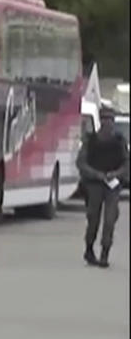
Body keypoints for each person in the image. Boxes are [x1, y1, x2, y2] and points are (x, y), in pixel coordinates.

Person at [76, 106, 129, 268]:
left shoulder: (119, 141)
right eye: (105, 119)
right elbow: (81, 163)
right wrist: (97, 174)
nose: (108, 123)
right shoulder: (90, 140)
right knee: (93, 218)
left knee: (110, 219)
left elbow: (127, 163)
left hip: (112, 185)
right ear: (100, 121)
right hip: (94, 184)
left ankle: (105, 252)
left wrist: (116, 173)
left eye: (111, 119)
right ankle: (89, 248)